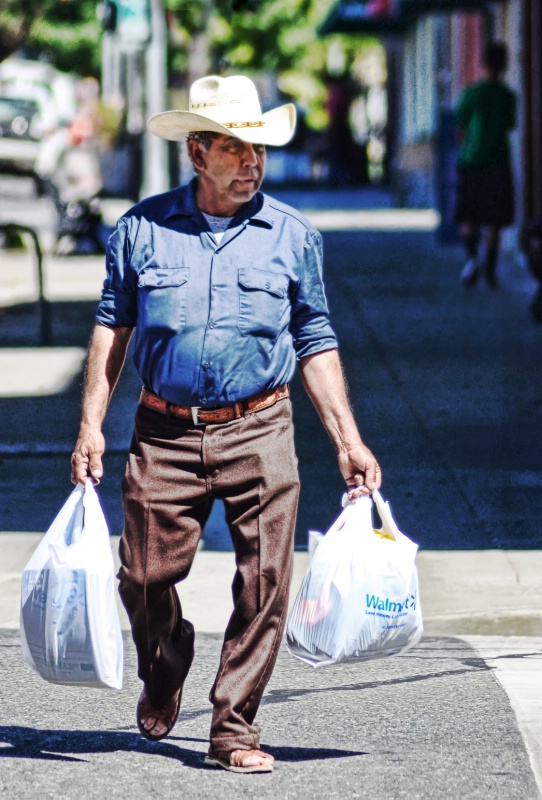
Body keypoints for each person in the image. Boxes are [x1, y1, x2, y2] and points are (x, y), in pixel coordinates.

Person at [70, 75, 381, 774]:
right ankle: (166, 654)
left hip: (261, 427)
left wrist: (347, 439)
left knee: (265, 580)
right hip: (165, 431)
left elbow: (316, 339)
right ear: (198, 151)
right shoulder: (141, 231)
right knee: (141, 576)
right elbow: (111, 330)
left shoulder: (293, 237)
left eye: (259, 150)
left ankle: (233, 726)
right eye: (236, 149)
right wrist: (91, 424)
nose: (252, 163)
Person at [454, 41, 517, 288]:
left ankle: (471, 260)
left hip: (471, 161)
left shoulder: (471, 93)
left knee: (468, 216)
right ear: (504, 65)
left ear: (482, 63)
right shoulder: (508, 96)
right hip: (498, 162)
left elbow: (460, 128)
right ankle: (490, 271)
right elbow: (510, 125)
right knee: (495, 220)